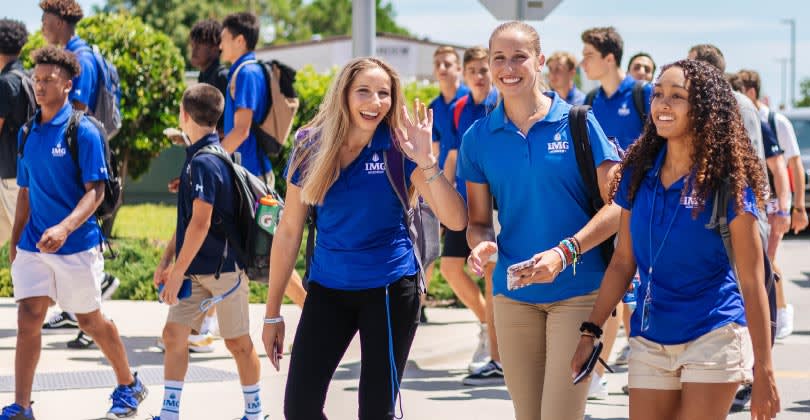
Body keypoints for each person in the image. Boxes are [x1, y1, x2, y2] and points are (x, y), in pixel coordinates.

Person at [572, 59, 781, 420]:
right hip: (651, 335)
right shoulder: (638, 174)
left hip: (713, 332)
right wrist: (590, 331)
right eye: (658, 94)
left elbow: (751, 280)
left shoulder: (728, 183)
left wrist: (764, 370)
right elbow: (623, 262)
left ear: (702, 109)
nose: (663, 105)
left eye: (678, 96)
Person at [262, 57, 467, 419]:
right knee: (300, 408)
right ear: (344, 94)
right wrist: (272, 314)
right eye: (364, 92)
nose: (375, 102)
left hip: (389, 292)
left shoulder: (399, 148)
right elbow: (289, 230)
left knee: (375, 412)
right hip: (328, 290)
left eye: (384, 94)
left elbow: (456, 219)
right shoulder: (311, 145)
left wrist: (427, 162)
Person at [460, 21, 621, 420]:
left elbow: (618, 206)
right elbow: (479, 220)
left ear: (540, 61)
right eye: (499, 58)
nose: (508, 67)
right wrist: (480, 243)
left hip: (579, 292)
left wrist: (565, 252)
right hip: (513, 295)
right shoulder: (478, 138)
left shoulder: (579, 122)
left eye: (519, 57)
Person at [3, 46, 147, 420]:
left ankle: (128, 383)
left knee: (89, 321)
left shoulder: (82, 131)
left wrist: (65, 228)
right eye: (36, 79)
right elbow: (25, 190)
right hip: (34, 244)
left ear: (68, 85)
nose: (39, 86)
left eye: (48, 80)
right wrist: (16, 239)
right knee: (28, 318)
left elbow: (95, 192)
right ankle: (21, 406)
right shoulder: (27, 132)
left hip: (77, 246)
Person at [688, 43, 792, 411]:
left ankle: (748, 375)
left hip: (735, 213)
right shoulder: (733, 104)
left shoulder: (728, 105)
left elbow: (739, 164)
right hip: (736, 211)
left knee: (746, 292)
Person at [152, 83, 264, 420]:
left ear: (184, 115)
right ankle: (170, 413)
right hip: (197, 269)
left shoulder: (206, 162)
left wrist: (175, 274)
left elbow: (200, 224)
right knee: (174, 336)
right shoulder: (198, 157)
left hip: (224, 271)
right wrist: (167, 260)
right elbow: (188, 221)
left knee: (238, 343)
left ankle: (255, 413)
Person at [39, 0, 120, 349]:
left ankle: (95, 297)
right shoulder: (77, 52)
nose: (41, 24)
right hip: (77, 155)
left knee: (81, 225)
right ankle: (78, 310)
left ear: (59, 21)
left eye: (45, 18)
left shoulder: (80, 58)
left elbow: (79, 110)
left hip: (80, 157)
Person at [219, 11, 308, 313]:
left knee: (272, 258)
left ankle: (314, 315)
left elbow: (242, 129)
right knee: (239, 251)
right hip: (251, 176)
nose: (220, 46)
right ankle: (194, 324)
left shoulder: (246, 73)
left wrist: (211, 155)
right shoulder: (247, 70)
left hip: (250, 180)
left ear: (239, 39)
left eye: (223, 38)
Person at [580, 25, 652, 398]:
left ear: (609, 58)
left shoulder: (643, 95)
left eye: (588, 54)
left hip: (643, 210)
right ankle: (597, 372)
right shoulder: (590, 102)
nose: (582, 61)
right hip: (607, 212)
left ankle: (643, 367)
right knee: (610, 292)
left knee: (637, 293)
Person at [439, 45, 503, 386]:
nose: (479, 76)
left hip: (492, 204)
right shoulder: (460, 107)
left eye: (484, 69)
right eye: (473, 70)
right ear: (465, 75)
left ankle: (497, 356)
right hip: (463, 203)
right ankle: (486, 326)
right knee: (450, 266)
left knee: (492, 277)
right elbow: (451, 156)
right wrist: (443, 197)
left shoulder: (501, 105)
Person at [738, 68, 809, 339]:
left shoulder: (775, 121)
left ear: (751, 91)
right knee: (762, 260)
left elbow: (790, 166)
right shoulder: (745, 119)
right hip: (756, 203)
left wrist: (792, 207)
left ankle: (780, 311)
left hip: (772, 203)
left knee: (766, 260)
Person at [423, 45, 468, 324]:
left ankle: (492, 321)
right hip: (450, 189)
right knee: (429, 250)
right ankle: (418, 302)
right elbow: (438, 154)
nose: (442, 68)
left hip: (476, 192)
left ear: (459, 69)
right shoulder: (434, 108)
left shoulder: (471, 101)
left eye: (448, 63)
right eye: (438, 63)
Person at [0, 19, 30, 248]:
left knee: (25, 243)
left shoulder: (5, 83)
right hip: (22, 171)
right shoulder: (27, 77)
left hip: (10, 176)